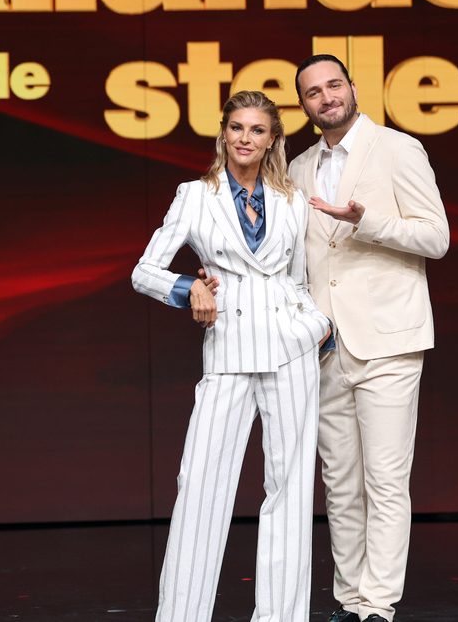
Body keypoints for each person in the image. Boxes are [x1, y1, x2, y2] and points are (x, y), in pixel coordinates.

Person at [131, 90, 332, 622]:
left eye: (257, 130)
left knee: (290, 492)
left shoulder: (292, 199)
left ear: (272, 140)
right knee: (200, 486)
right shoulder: (195, 195)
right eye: (237, 127)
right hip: (228, 350)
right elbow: (144, 271)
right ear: (223, 133)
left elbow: (299, 278)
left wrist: (317, 325)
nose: (246, 138)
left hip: (291, 350)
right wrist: (188, 288)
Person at [290, 54, 451, 622]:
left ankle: (377, 606)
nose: (327, 97)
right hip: (326, 346)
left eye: (334, 85)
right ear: (304, 105)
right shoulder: (299, 167)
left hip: (388, 338)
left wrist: (367, 220)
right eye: (313, 92)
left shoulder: (397, 149)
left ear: (354, 88)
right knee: (340, 485)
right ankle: (350, 600)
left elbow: (436, 238)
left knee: (385, 481)